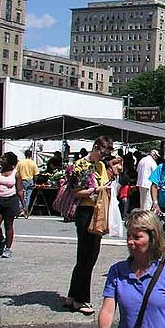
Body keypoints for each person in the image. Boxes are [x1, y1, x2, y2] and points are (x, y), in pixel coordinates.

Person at [65, 135, 114, 316]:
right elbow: (75, 192)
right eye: (102, 152)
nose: (103, 156)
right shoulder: (79, 165)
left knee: (89, 256)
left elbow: (103, 184)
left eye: (107, 154)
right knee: (87, 255)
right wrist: (96, 190)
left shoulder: (101, 166)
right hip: (85, 211)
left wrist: (105, 188)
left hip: (97, 211)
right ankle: (81, 299)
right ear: (95, 147)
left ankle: (72, 295)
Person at [0, 152, 25, 258]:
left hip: (11, 200)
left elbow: (20, 190)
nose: (1, 159)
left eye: (4, 158)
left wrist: (24, 205)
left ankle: (8, 249)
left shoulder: (16, 173)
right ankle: (2, 240)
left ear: (9, 161)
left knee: (8, 225)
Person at [15, 149, 39, 218]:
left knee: (21, 196)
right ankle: (25, 210)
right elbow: (36, 174)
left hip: (21, 180)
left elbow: (16, 172)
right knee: (28, 196)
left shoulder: (20, 163)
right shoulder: (33, 163)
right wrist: (35, 182)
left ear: (25, 155)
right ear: (31, 155)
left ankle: (20, 210)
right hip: (30, 180)